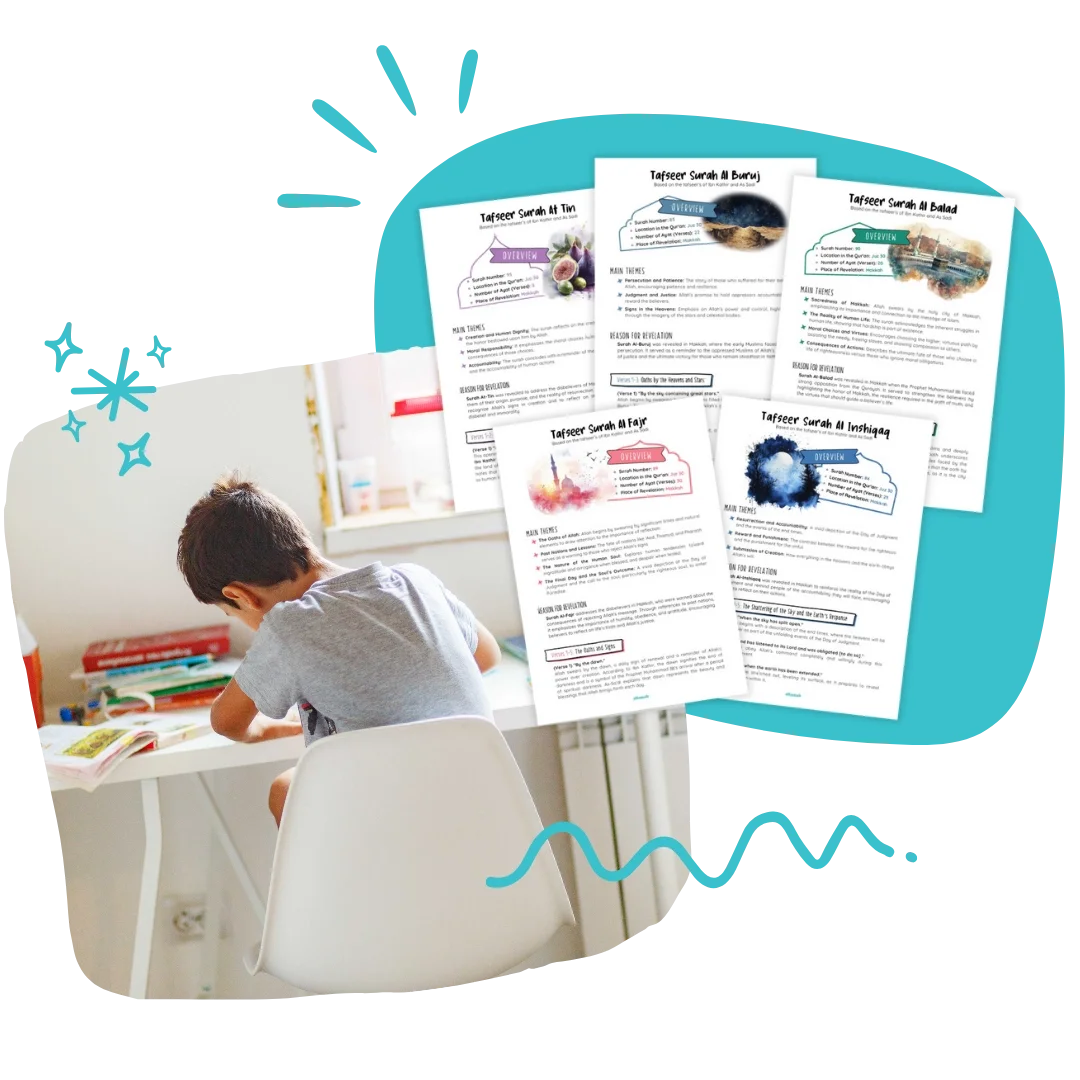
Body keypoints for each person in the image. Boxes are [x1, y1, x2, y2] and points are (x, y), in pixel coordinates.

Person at [176, 473, 501, 827]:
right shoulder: (415, 580)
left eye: (232, 614)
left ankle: (335, 884)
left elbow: (225, 722)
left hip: (387, 830)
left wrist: (266, 730)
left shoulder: (288, 626)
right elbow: (486, 656)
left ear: (240, 596)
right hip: (485, 805)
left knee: (284, 789)